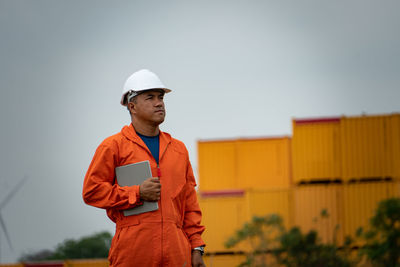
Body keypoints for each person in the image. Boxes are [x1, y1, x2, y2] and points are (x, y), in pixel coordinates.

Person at [82, 69, 206, 267]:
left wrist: (196, 247)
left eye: (161, 97)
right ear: (132, 106)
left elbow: (189, 204)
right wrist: (137, 193)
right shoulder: (113, 147)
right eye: (150, 98)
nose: (159, 103)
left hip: (176, 251)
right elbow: (92, 191)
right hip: (134, 251)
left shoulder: (179, 150)